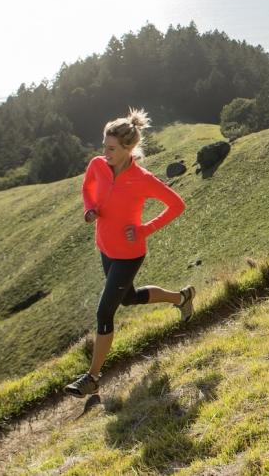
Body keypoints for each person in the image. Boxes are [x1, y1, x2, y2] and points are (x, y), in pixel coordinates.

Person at [64, 107, 193, 397]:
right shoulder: (97, 165)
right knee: (130, 299)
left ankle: (93, 377)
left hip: (129, 253)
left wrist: (145, 229)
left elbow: (177, 205)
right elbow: (87, 188)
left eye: (111, 148)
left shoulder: (143, 179)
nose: (105, 152)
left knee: (104, 312)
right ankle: (182, 298)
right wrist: (89, 209)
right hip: (105, 248)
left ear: (128, 148)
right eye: (104, 146)